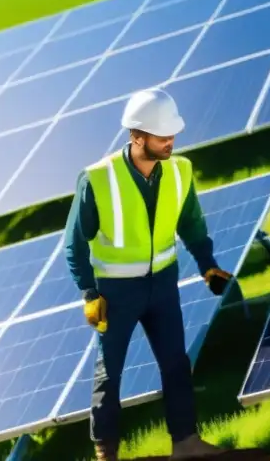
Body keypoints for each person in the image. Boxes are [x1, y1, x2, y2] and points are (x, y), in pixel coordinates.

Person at [64, 88, 234, 461]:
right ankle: (106, 454)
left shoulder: (180, 170)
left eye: (173, 134)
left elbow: (192, 224)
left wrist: (207, 265)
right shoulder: (97, 179)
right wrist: (89, 293)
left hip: (163, 286)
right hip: (116, 293)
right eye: (162, 136)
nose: (171, 141)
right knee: (110, 374)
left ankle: (186, 443)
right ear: (137, 136)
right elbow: (74, 245)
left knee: (176, 363)